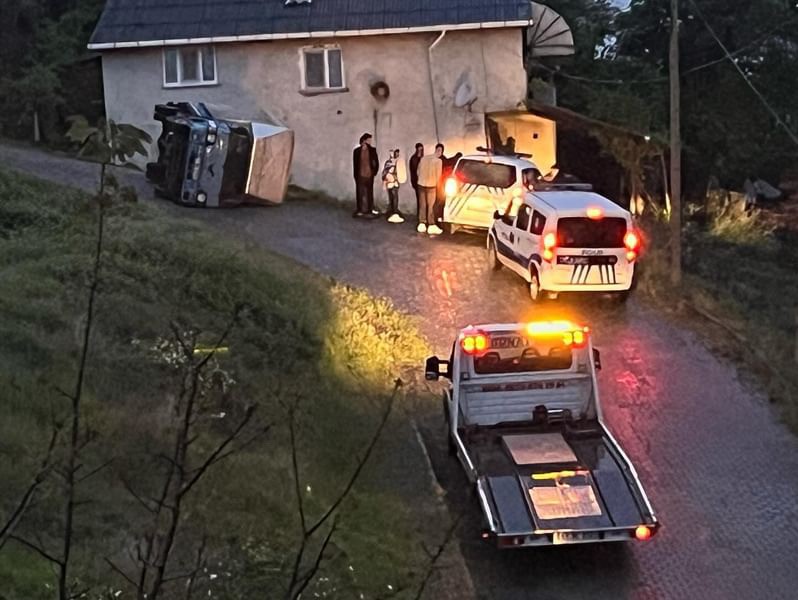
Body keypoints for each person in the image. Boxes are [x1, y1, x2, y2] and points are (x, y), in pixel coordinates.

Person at [352, 133, 379, 218]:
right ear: (364, 140)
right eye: (369, 140)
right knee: (360, 193)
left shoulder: (372, 150)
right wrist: (356, 175)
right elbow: (355, 164)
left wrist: (374, 172)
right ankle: (360, 209)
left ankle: (369, 209)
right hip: (360, 175)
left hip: (369, 175)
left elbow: (376, 162)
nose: (370, 142)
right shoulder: (357, 151)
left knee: (369, 193)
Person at [416, 148, 443, 235]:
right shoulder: (438, 161)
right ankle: (431, 225)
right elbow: (438, 175)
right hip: (431, 185)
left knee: (422, 205)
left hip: (421, 184)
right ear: (440, 151)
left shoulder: (423, 159)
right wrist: (439, 187)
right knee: (431, 205)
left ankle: (421, 223)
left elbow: (418, 171)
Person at [435, 143, 462, 224]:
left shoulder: (443, 159)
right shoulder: (433, 160)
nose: (439, 152)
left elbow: (448, 163)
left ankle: (439, 217)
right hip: (434, 184)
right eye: (438, 150)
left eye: (440, 150)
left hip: (441, 184)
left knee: (441, 202)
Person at [381, 148, 405, 223]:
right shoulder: (389, 162)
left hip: (395, 182)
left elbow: (399, 172)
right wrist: (387, 178)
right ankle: (392, 210)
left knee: (395, 197)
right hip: (390, 182)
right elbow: (385, 172)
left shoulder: (398, 162)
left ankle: (395, 210)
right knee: (392, 197)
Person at [409, 142, 424, 222]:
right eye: (419, 149)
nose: (420, 151)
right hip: (417, 181)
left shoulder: (423, 158)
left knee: (422, 199)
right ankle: (419, 214)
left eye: (421, 149)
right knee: (419, 198)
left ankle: (421, 214)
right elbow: (413, 171)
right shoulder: (413, 159)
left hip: (423, 181)